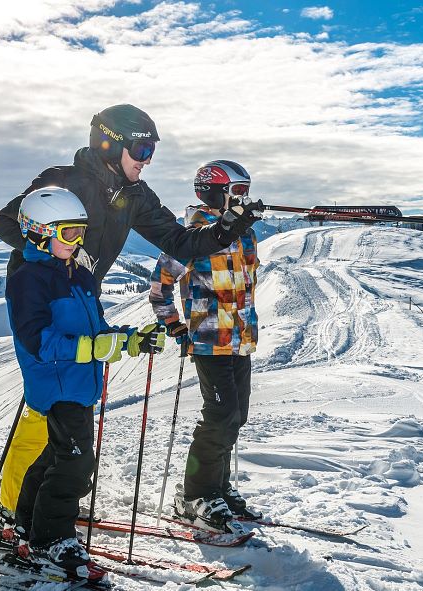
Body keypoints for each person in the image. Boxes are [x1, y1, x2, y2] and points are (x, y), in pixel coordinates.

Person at [0, 104, 263, 534]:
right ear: (109, 143)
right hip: (41, 298)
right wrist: (57, 258)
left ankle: (50, 499)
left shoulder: (135, 195)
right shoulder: (63, 180)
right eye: (140, 148)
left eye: (151, 150)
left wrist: (228, 227)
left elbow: (180, 240)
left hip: (83, 299)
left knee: (75, 402)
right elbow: (5, 222)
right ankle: (11, 505)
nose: (146, 159)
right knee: (46, 404)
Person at [5, 187, 164, 581]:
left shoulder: (79, 276)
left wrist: (130, 339)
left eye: (80, 233)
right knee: (76, 462)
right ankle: (51, 537)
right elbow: (36, 340)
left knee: (56, 456)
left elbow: (99, 331)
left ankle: (26, 525)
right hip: (56, 384)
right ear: (40, 232)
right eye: (70, 233)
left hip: (77, 382)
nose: (77, 242)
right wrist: (92, 347)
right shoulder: (29, 279)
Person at [148, 160, 263, 534]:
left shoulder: (244, 234)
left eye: (246, 191)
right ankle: (194, 494)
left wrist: (241, 221)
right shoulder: (191, 237)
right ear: (215, 192)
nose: (243, 199)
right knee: (220, 415)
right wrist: (176, 327)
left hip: (241, 340)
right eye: (238, 191)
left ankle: (218, 487)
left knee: (236, 416)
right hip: (209, 341)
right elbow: (159, 289)